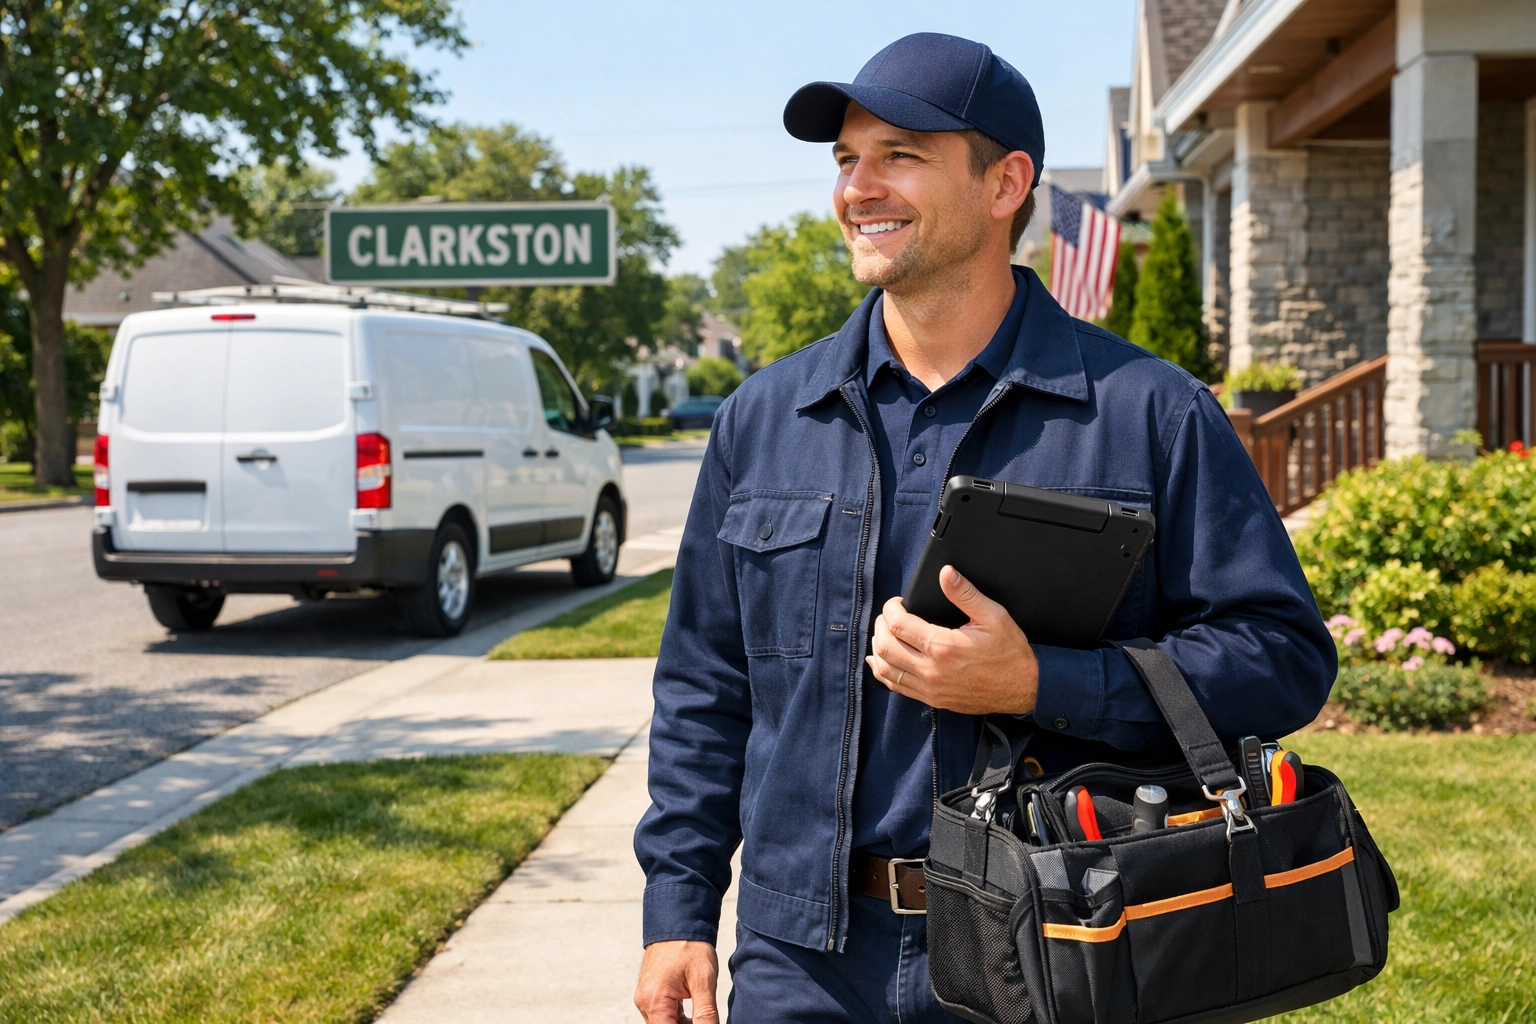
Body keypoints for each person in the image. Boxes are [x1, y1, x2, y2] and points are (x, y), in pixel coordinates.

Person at [633, 32, 1335, 1024]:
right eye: (845, 159)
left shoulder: (1151, 414)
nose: (857, 188)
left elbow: (1283, 656)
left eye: (900, 156)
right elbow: (708, 688)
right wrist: (678, 907)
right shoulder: (764, 419)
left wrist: (1042, 681)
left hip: (1058, 943)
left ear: (1005, 183)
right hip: (801, 961)